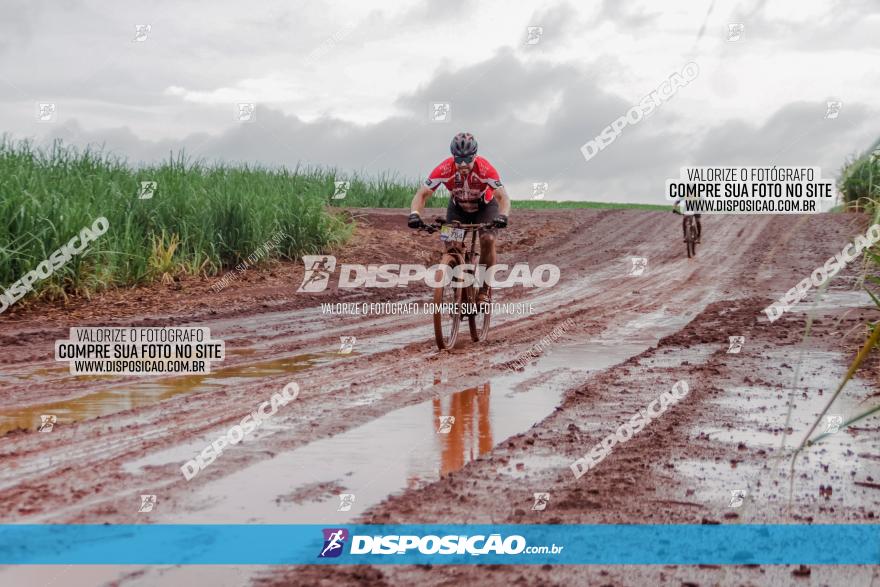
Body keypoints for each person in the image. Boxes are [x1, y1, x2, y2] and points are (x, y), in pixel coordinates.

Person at [408, 132, 511, 304]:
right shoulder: (444, 168)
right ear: (453, 157)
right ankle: (459, 287)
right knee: (451, 245)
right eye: (459, 160)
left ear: (475, 156)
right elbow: (422, 194)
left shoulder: (485, 168)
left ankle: (484, 292)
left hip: (484, 207)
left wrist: (503, 216)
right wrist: (414, 214)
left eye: (468, 159)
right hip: (458, 209)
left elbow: (503, 197)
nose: (463, 164)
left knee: (487, 238)